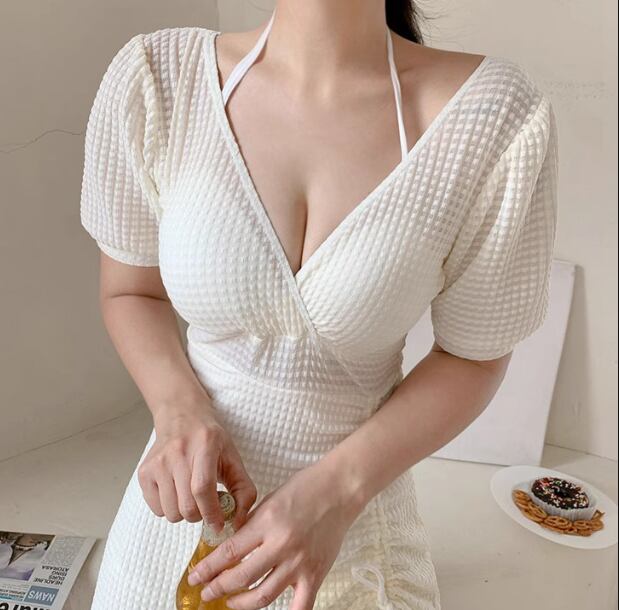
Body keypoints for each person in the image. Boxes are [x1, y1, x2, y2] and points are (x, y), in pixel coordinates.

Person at [79, 1, 558, 609]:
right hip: (172, 521)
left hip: (355, 540)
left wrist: (335, 495)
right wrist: (178, 409)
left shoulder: (494, 118)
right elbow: (131, 290)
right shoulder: (158, 78)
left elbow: (475, 357)